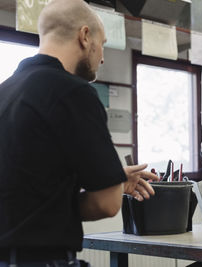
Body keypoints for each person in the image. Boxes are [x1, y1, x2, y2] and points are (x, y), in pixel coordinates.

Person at [0, 0, 158, 266]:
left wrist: (117, 180)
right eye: (103, 43)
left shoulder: (6, 91)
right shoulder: (73, 91)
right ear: (85, 36)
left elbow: (25, 194)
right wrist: (112, 188)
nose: (103, 56)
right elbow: (105, 204)